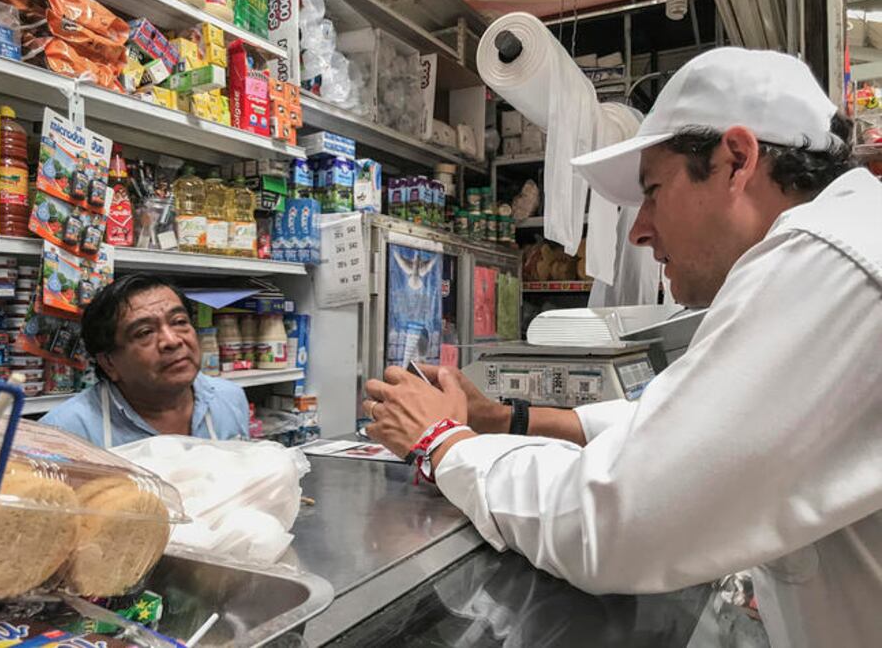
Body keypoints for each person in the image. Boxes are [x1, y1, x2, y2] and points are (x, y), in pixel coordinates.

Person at [363, 47, 882, 648]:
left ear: (737, 160)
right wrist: (503, 417)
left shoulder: (828, 260)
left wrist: (442, 444)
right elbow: (684, 424)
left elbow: (611, 524)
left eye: (653, 191)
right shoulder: (848, 236)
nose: (638, 230)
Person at [41, 274, 249, 447]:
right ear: (109, 363)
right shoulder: (63, 433)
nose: (172, 340)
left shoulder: (230, 399)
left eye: (179, 322)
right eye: (145, 332)